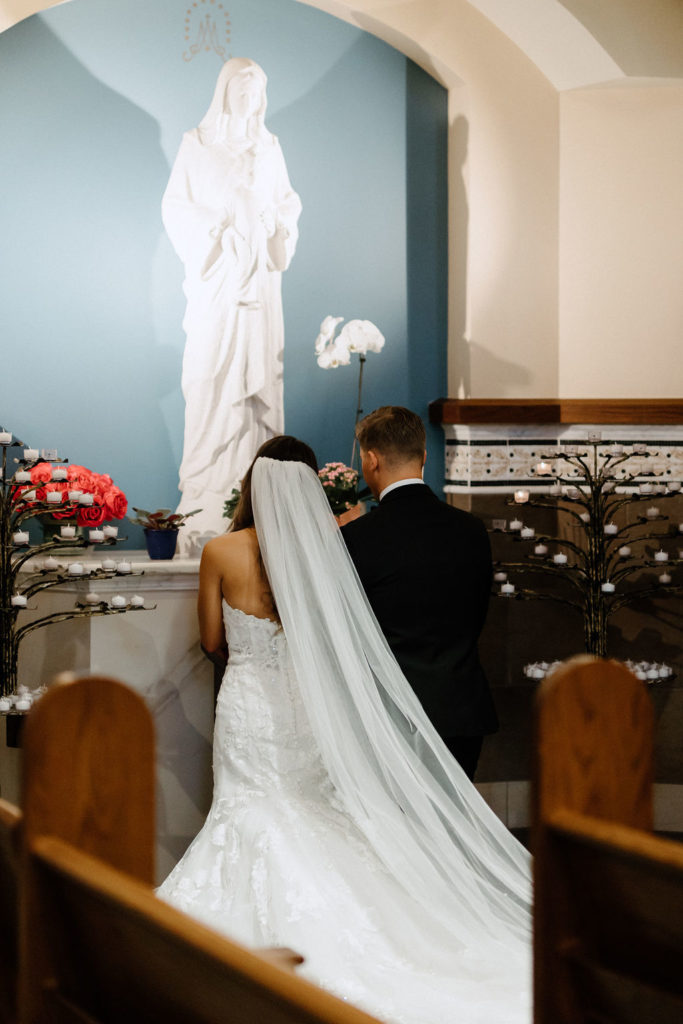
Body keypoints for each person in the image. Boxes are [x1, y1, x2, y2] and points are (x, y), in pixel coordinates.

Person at [157, 435, 531, 1024]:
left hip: (249, 701)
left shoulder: (221, 550)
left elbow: (210, 642)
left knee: (248, 805)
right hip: (307, 705)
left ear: (253, 485)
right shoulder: (327, 548)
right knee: (311, 806)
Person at [162, 58, 302, 543]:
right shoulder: (197, 145)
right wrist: (220, 226)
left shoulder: (270, 148)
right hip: (218, 283)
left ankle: (255, 499)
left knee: (257, 394)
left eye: (255, 93)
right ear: (224, 94)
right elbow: (176, 208)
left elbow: (287, 204)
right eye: (240, 93)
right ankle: (206, 494)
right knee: (210, 380)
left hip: (260, 291)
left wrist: (274, 225)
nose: (249, 102)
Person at [341, 407, 497, 781]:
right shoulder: (471, 530)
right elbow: (476, 616)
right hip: (460, 710)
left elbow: (351, 632)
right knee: (452, 831)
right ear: (424, 456)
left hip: (392, 715)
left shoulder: (357, 539)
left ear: (372, 460)